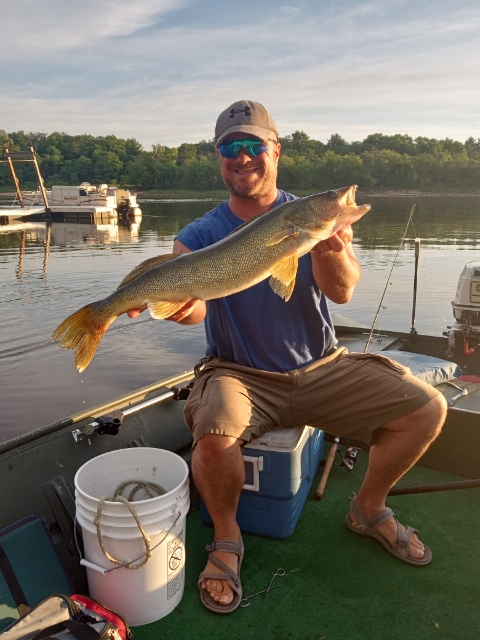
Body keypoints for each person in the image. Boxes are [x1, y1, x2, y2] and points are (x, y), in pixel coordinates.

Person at [128, 100, 447, 613]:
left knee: (427, 408)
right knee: (212, 438)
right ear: (219, 157)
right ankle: (228, 538)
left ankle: (367, 508)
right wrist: (171, 308)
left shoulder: (306, 216)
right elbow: (193, 312)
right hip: (240, 374)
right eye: (232, 147)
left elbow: (341, 292)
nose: (244, 157)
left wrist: (331, 248)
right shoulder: (199, 234)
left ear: (276, 152)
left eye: (255, 146)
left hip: (322, 367)